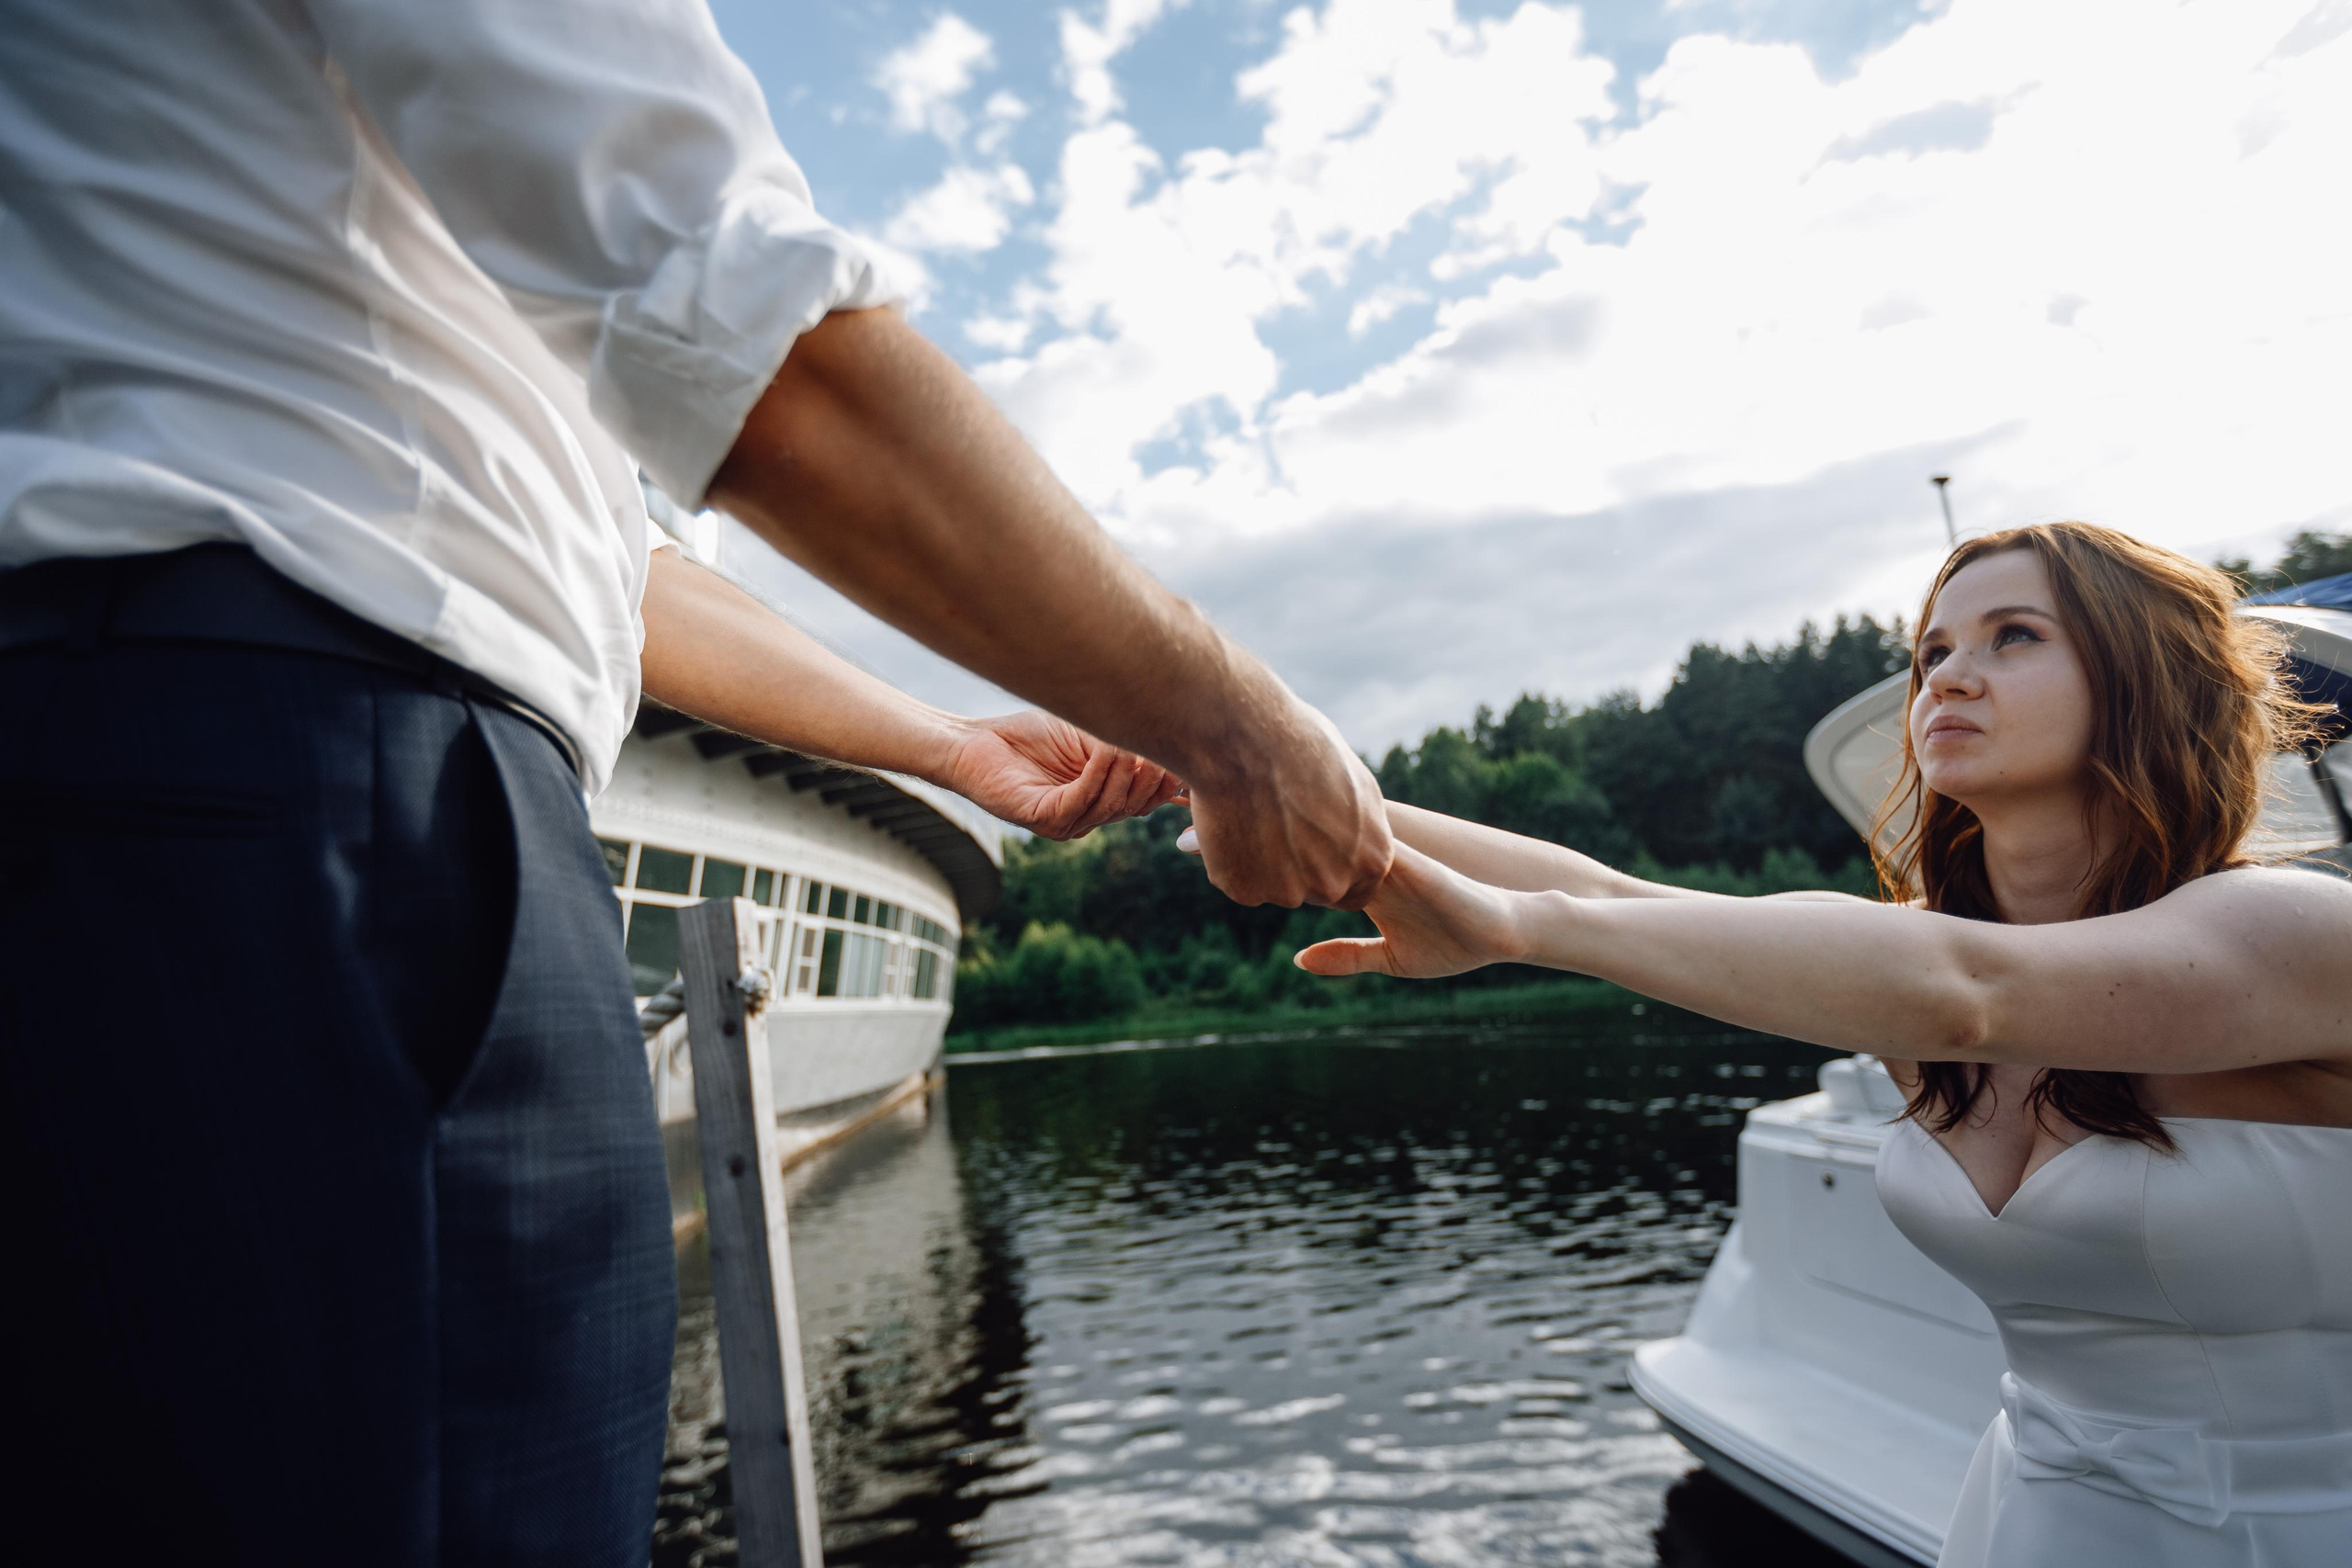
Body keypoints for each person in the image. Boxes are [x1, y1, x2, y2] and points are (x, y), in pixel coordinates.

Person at [0, 2, 1390, 1562]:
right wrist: (1240, 727)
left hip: (140, 758)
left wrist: (945, 742)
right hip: (327, 792)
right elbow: (743, 336)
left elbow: (611, 563)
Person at [1280, 523, 2352, 1564]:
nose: (1947, 678)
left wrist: (1519, 933)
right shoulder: (1913, 963)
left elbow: (1969, 996)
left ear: (2146, 681)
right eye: (1933, 651)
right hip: (2035, 1519)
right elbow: (1609, 893)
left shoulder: (2292, 934)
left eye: (2012, 637)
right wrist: (1247, 770)